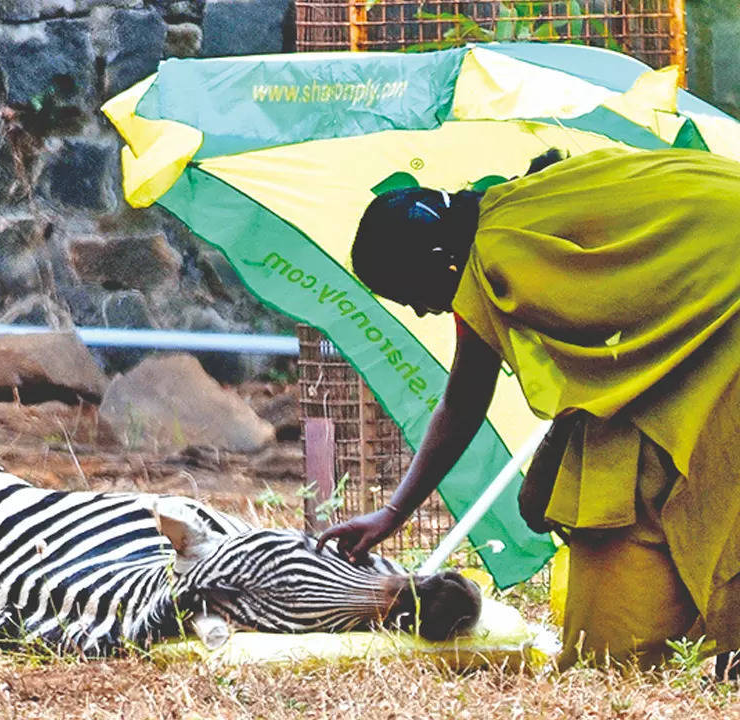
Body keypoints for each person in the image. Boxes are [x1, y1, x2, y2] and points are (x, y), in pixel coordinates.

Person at [317, 146, 740, 672]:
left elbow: (468, 395)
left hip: (728, 295)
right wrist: (394, 513)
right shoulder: (514, 211)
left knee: (711, 473)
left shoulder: (498, 257)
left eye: (413, 294)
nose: (425, 310)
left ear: (438, 261)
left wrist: (396, 511)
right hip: (711, 279)